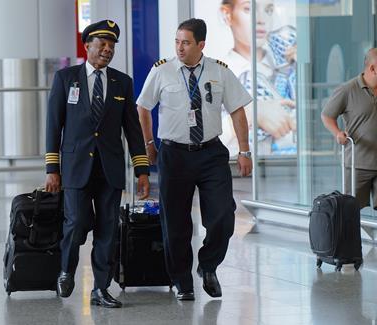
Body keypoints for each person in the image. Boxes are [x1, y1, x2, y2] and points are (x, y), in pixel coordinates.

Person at [137, 18, 252, 301]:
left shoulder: (219, 71)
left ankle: (208, 266)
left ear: (201, 44)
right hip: (174, 154)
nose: (179, 48)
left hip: (211, 153)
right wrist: (149, 144)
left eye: (186, 42)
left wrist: (244, 150)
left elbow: (237, 110)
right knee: (175, 223)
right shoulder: (162, 71)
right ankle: (181, 281)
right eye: (177, 41)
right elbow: (142, 107)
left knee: (223, 217)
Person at [45, 19, 150, 308]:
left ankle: (100, 289)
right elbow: (54, 126)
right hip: (75, 167)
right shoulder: (66, 79)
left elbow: (132, 128)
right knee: (76, 222)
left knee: (107, 230)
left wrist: (141, 170)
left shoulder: (122, 82)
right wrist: (52, 169)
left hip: (110, 168)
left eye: (112, 45)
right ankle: (67, 270)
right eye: (102, 44)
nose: (107, 49)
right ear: (87, 45)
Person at [219, 0, 297, 156]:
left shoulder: (289, 67)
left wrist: (304, 69)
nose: (261, 20)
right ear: (227, 14)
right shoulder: (216, 74)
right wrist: (251, 114)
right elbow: (197, 137)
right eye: (249, 9)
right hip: (237, 169)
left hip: (290, 167)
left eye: (268, 10)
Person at [321, 48, 377, 210]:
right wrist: (338, 133)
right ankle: (351, 236)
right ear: (372, 68)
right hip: (358, 163)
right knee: (351, 210)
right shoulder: (347, 89)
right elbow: (327, 115)